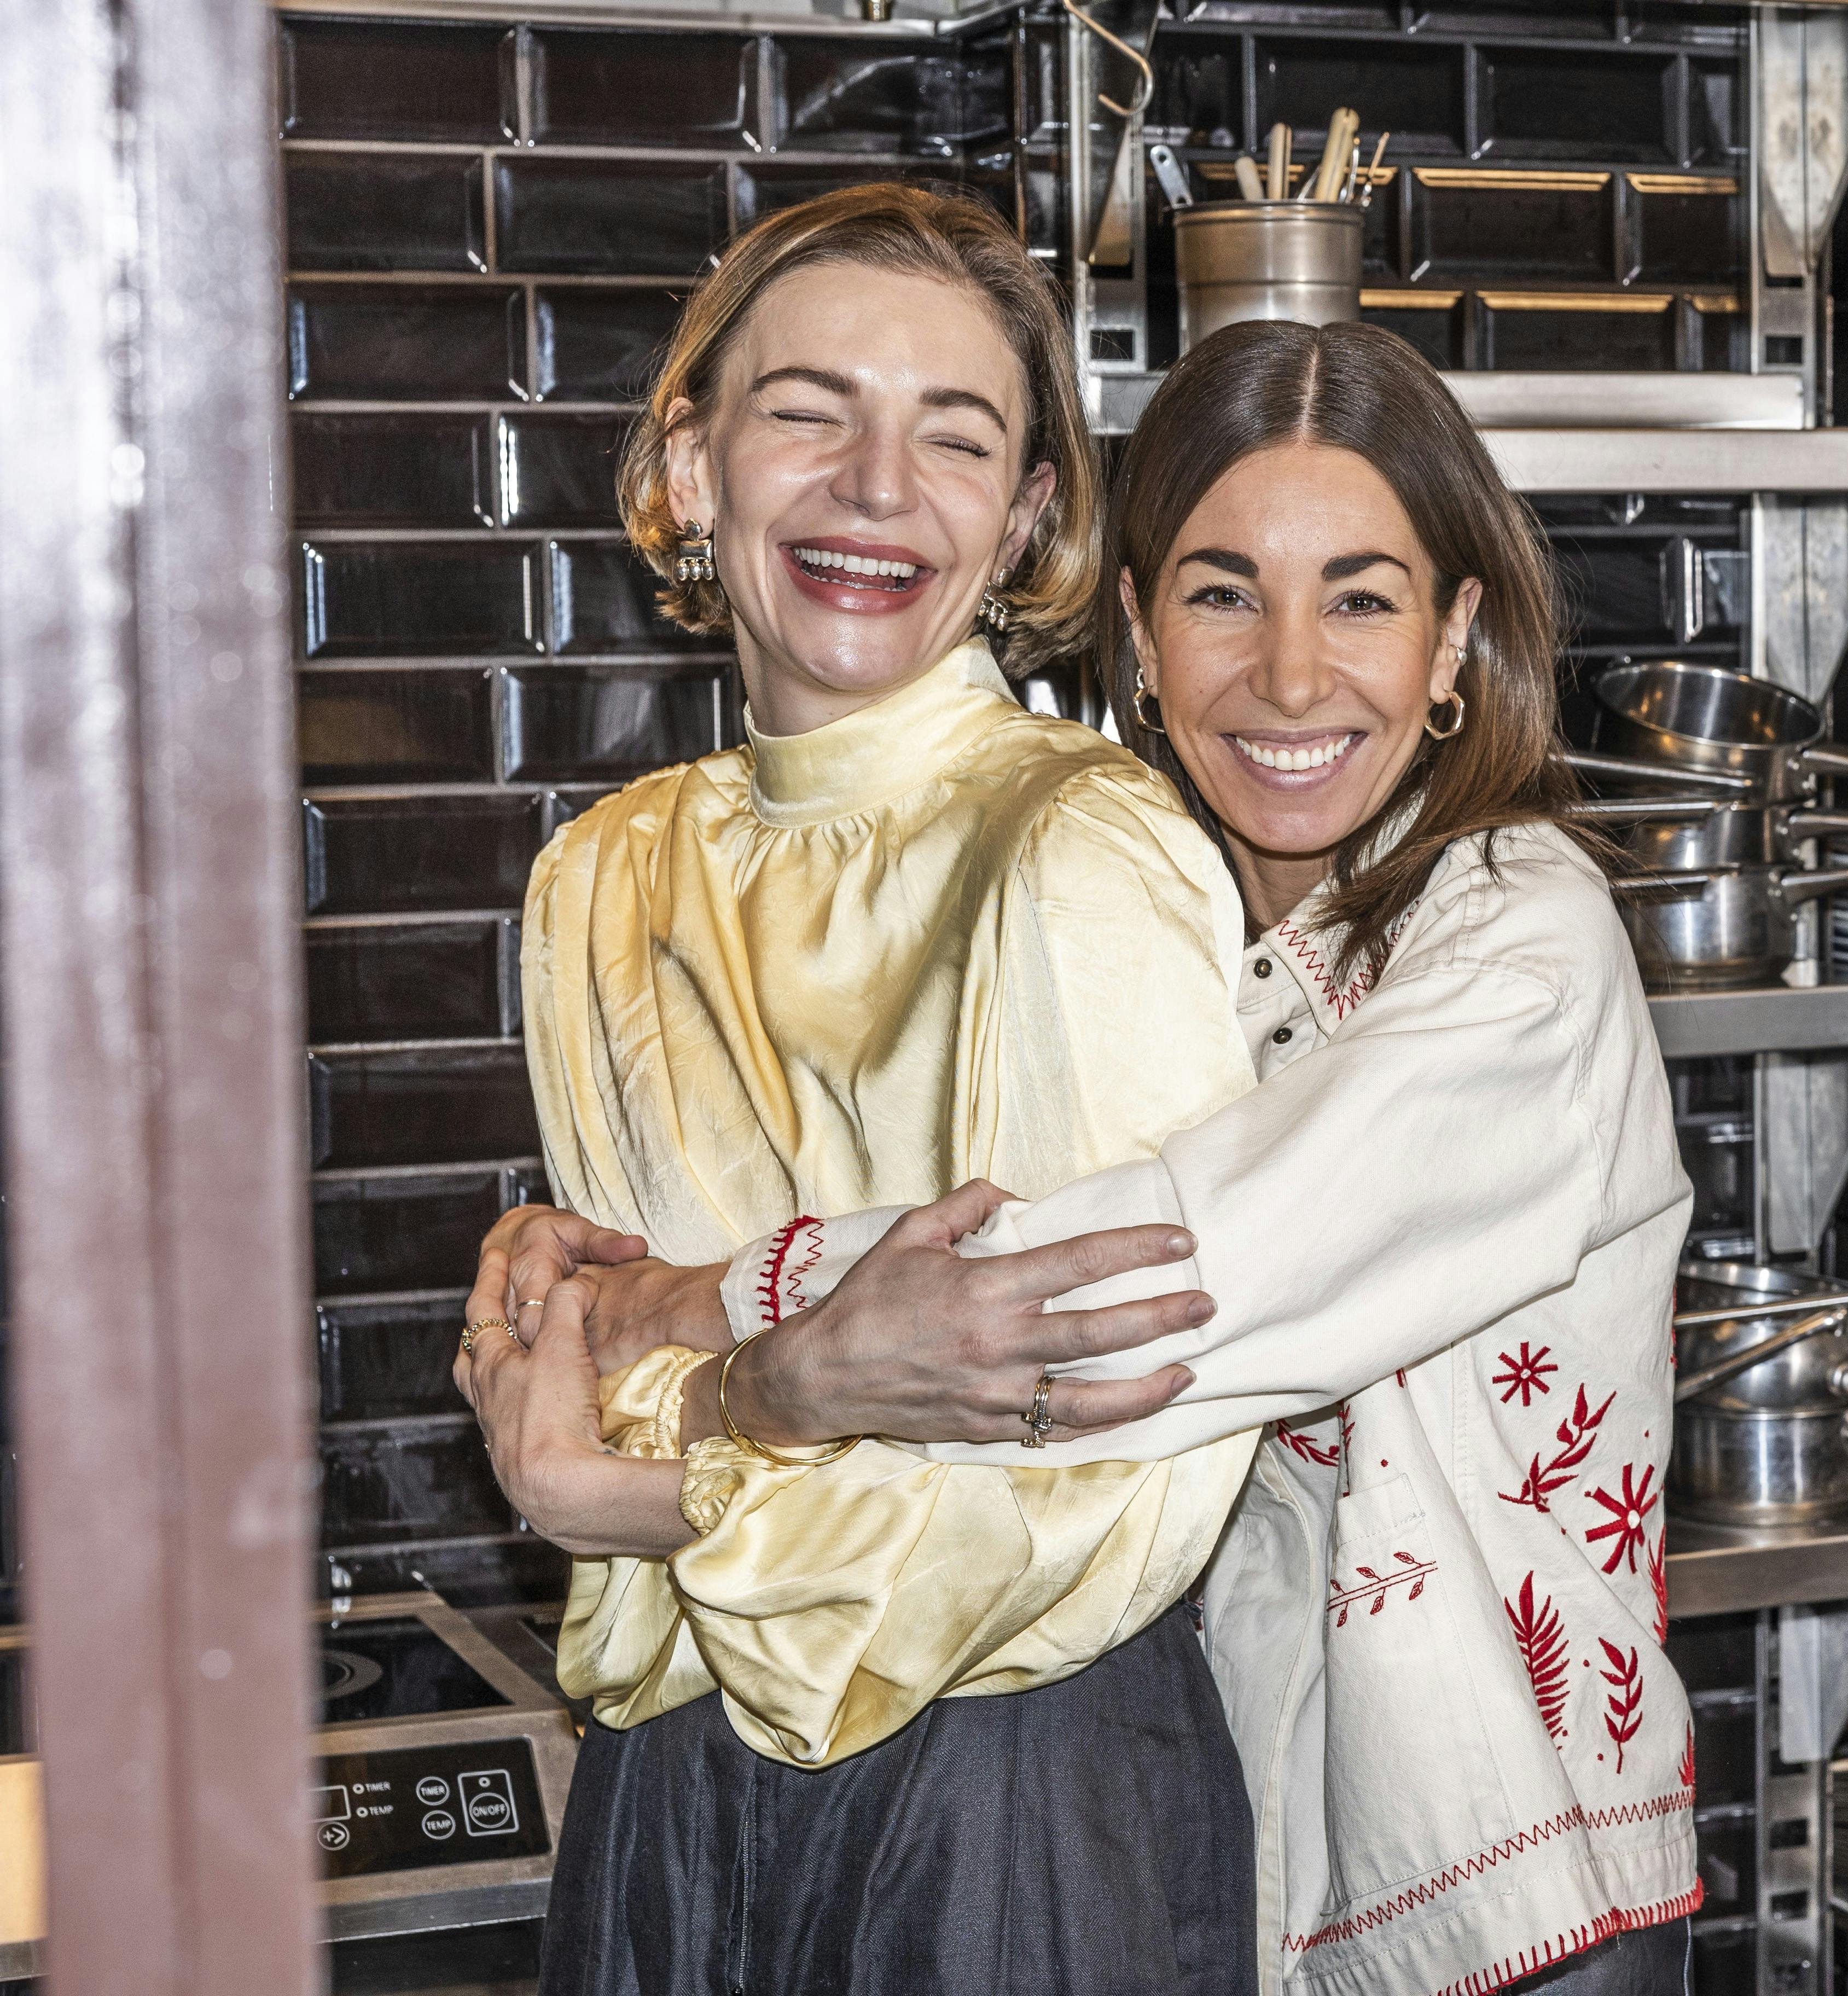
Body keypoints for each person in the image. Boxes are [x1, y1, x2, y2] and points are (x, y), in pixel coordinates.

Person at [467, 321, 1701, 1994]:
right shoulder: (1175, 931)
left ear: (1454, 639)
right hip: (1267, 1865)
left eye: (1359, 596)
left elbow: (1150, 1279)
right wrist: (650, 1303)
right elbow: (982, 1333)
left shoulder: (1519, 942)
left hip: (1511, 1908)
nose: (1286, 673)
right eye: (1217, 593)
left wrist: (703, 1322)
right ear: (1134, 631)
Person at [461, 181, 1269, 1993]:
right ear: (690, 468)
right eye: (811, 408)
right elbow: (604, 1355)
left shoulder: (1076, 846)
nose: (877, 487)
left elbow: (1124, 1467)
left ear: (1028, 518)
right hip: (672, 1773)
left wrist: (670, 1490)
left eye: (955, 436)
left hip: (1005, 1805)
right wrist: (666, 1390)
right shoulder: (603, 876)